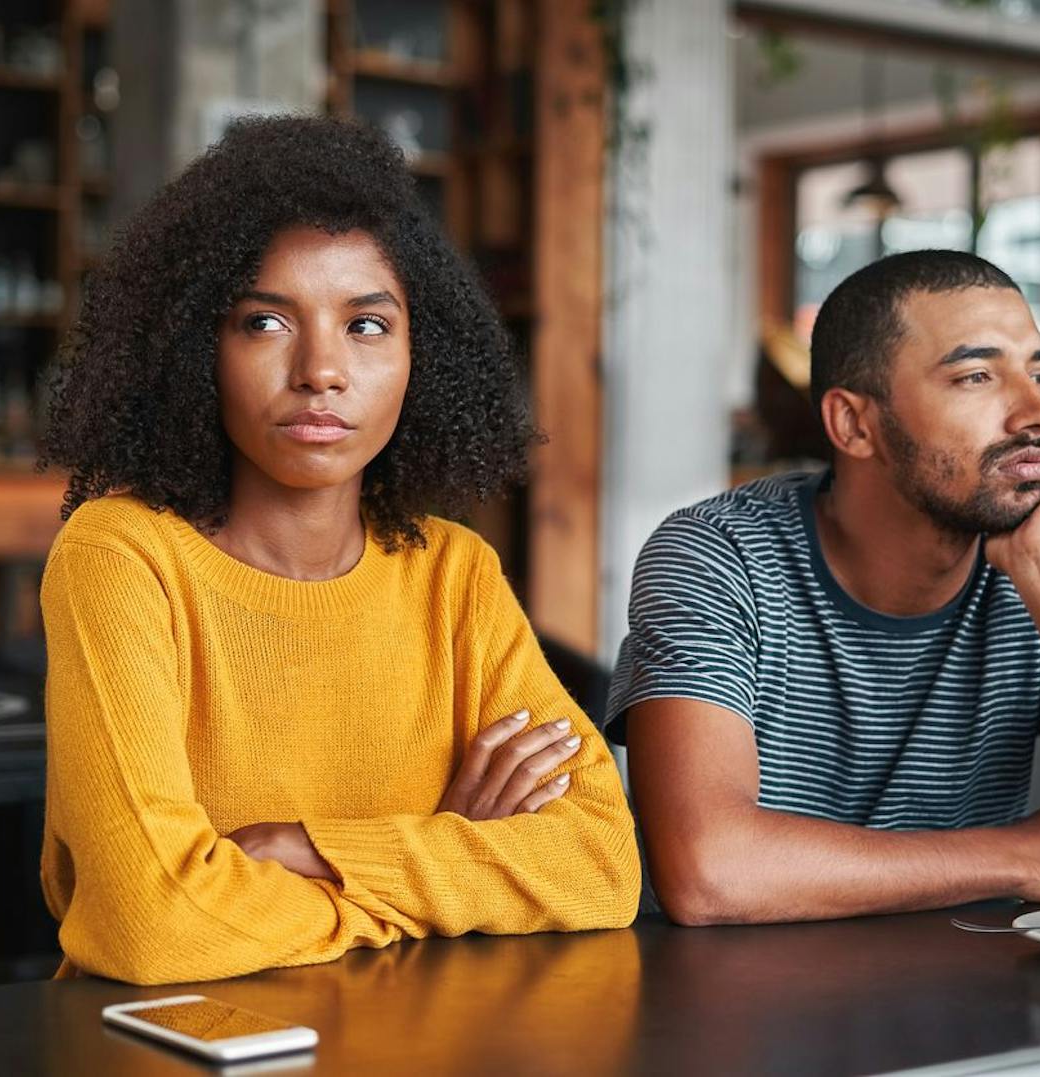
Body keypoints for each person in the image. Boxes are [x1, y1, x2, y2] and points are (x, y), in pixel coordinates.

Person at [37, 116, 639, 985]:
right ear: (191, 348)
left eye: (366, 326)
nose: (322, 369)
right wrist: (443, 851)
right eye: (265, 322)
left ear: (419, 356)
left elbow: (603, 865)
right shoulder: (122, 555)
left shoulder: (454, 573)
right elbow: (149, 922)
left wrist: (309, 852)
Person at [606, 250, 1040, 926]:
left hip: (963, 1007)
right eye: (977, 376)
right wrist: (1023, 857)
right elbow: (710, 871)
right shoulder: (722, 555)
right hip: (724, 1010)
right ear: (854, 425)